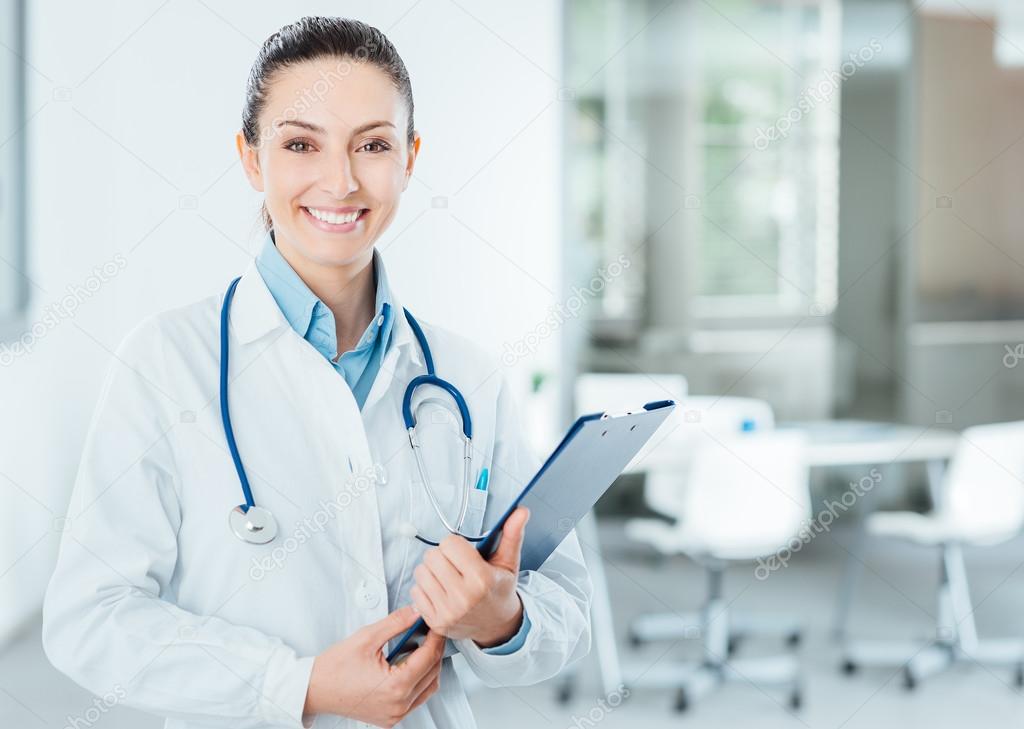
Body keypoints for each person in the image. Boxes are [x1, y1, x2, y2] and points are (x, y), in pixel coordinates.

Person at [42, 16, 592, 729]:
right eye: (301, 144)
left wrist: (502, 619)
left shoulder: (465, 376)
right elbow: (90, 620)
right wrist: (296, 683)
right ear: (250, 159)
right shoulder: (166, 362)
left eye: (372, 145)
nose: (341, 180)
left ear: (410, 158)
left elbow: (566, 606)